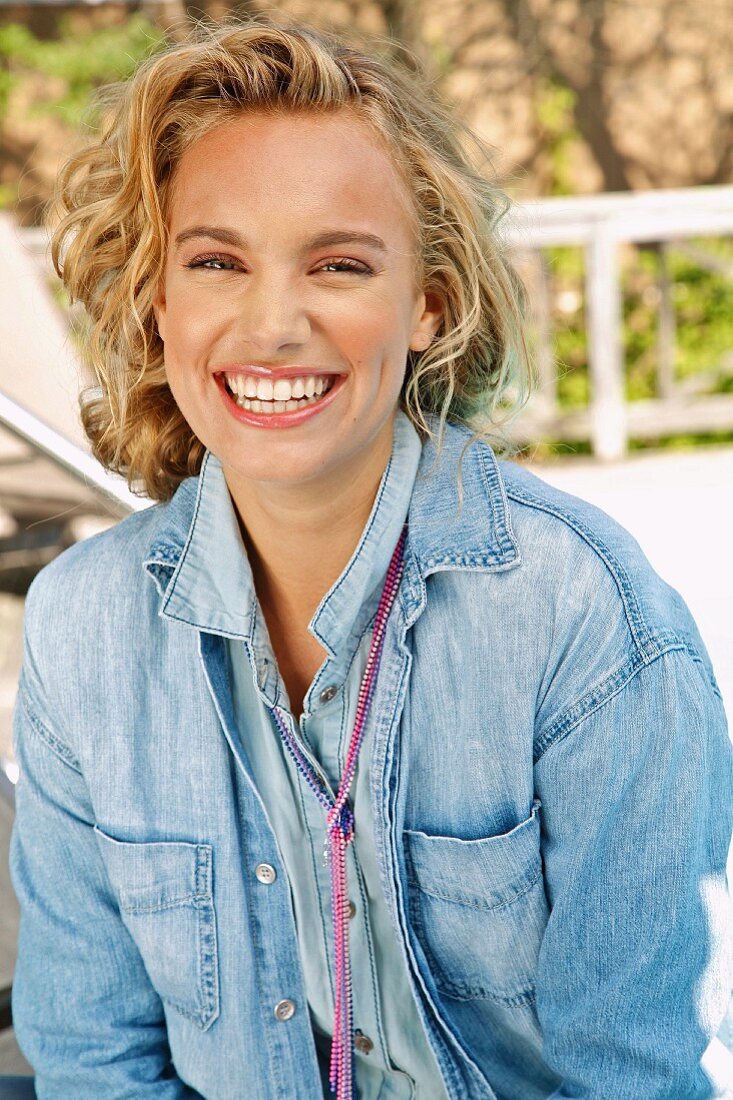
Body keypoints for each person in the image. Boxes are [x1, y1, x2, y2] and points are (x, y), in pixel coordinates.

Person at [8, 15, 732, 1100]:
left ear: (428, 303)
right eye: (215, 260)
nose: (272, 321)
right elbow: (94, 1061)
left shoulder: (586, 620)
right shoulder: (80, 627)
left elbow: (632, 1076)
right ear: (158, 303)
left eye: (338, 263)